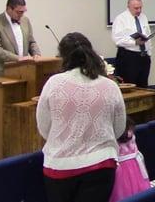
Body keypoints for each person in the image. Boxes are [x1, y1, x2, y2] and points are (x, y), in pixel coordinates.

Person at [37, 32, 126, 202]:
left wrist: (65, 140)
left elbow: (44, 127)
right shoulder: (109, 85)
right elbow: (119, 127)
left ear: (63, 56)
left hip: (60, 166)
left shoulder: (54, 83)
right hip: (101, 164)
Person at [0, 0, 41, 77]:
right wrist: (18, 58)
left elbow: (31, 42)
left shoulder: (25, 21)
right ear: (9, 9)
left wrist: (36, 54)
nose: (22, 15)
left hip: (23, 72)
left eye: (23, 12)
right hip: (1, 74)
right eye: (19, 12)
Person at [112, 0, 152, 87]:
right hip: (128, 57)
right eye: (136, 8)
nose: (139, 10)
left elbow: (147, 35)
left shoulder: (143, 17)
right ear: (128, 6)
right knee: (130, 86)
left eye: (140, 7)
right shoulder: (121, 19)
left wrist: (149, 53)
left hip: (144, 57)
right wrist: (134, 42)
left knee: (143, 86)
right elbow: (117, 40)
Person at [109, 117, 150, 202]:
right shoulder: (128, 128)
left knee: (123, 193)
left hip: (120, 172)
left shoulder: (110, 134)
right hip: (135, 167)